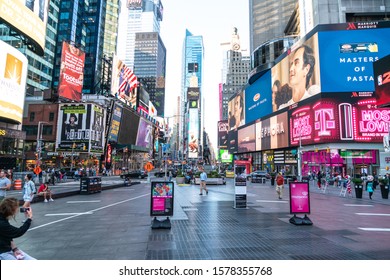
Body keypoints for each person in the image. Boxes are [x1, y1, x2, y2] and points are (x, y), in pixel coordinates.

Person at [278, 45, 318, 109]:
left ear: (306, 69)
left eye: (296, 63)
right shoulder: (283, 108)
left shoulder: (314, 103)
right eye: (291, 64)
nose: (291, 69)